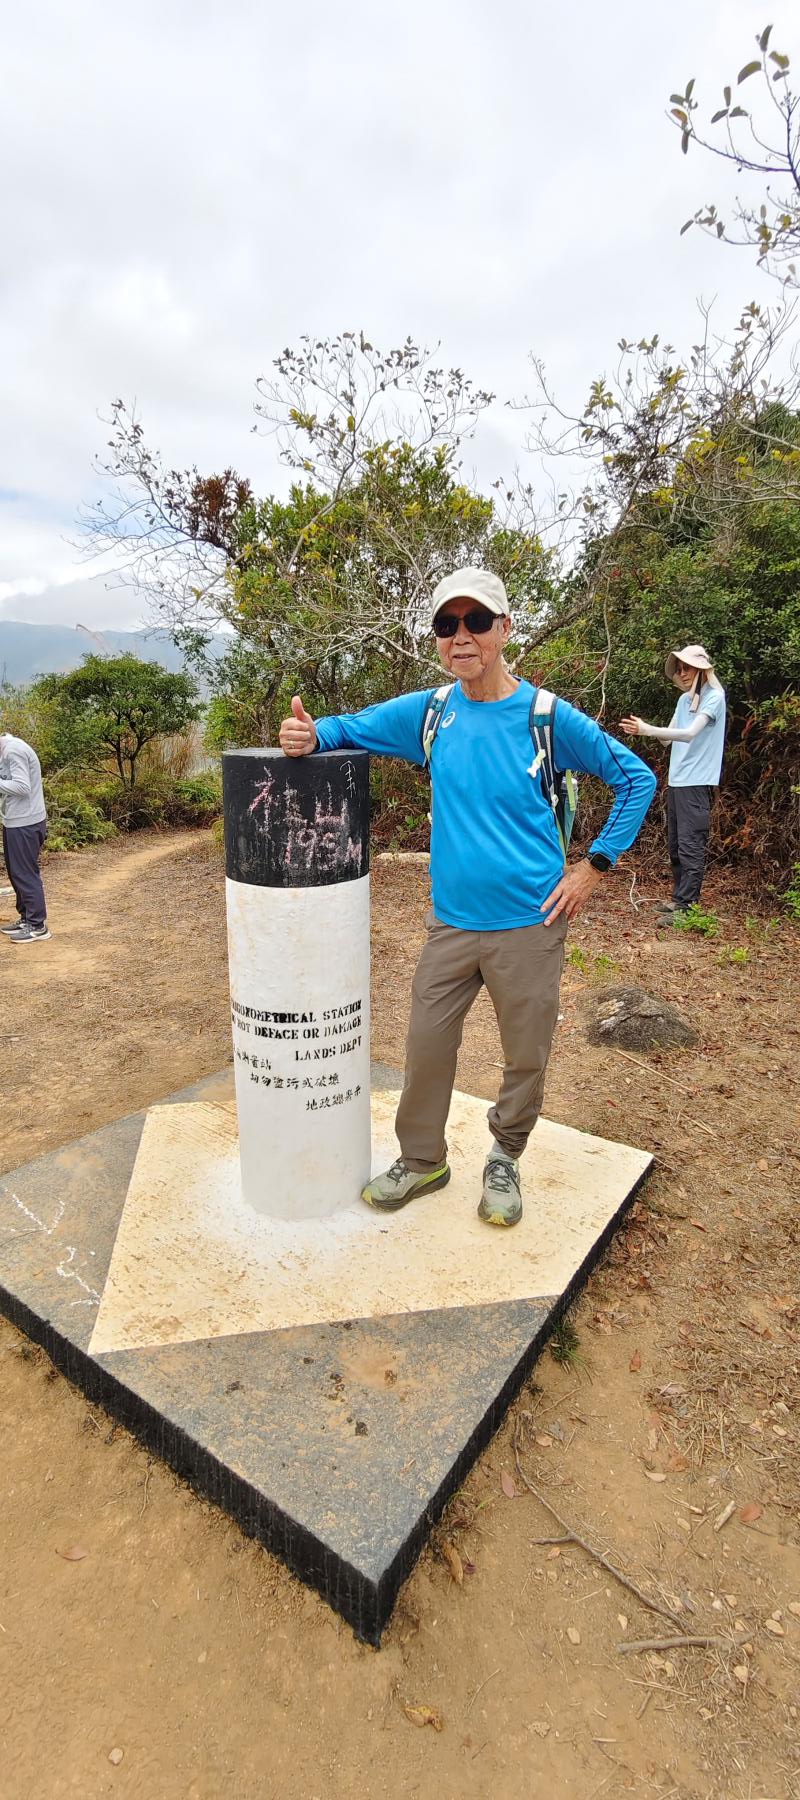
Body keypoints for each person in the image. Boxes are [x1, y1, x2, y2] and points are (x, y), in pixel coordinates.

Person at [279, 568, 656, 1228]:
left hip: (530, 923)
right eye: (447, 624)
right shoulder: (431, 713)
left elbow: (636, 777)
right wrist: (311, 736)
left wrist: (593, 867)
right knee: (426, 1046)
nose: (461, 636)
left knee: (525, 1055)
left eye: (477, 622)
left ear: (504, 629)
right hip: (451, 924)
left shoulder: (545, 717)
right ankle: (422, 1159)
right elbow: (349, 729)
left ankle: (505, 1156)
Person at [621, 644, 725, 926]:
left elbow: (690, 734)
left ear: (701, 669)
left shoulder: (714, 698)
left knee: (691, 844)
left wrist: (647, 729)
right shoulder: (683, 701)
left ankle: (688, 908)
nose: (682, 673)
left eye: (687, 668)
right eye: (679, 669)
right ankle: (679, 899)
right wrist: (644, 729)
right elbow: (668, 738)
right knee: (677, 845)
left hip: (697, 782)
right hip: (677, 781)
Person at [0, 729, 50, 943]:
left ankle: (38, 925)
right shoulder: (5, 751)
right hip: (14, 821)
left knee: (25, 873)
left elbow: (22, 787)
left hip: (26, 822)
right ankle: (26, 918)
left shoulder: (14, 750)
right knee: (15, 872)